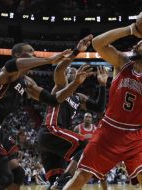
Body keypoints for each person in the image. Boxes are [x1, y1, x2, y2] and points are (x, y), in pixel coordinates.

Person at [0, 42, 91, 190]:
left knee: (17, 173)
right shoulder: (7, 73)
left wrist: (75, 82)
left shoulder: (28, 82)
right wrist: (49, 60)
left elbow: (54, 99)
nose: (34, 54)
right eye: (30, 52)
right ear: (18, 55)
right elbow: (13, 65)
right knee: (3, 177)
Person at [63, 15, 142, 190]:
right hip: (109, 130)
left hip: (136, 134)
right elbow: (98, 43)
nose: (136, 44)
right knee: (81, 175)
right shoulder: (122, 63)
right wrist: (131, 29)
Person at [36, 35, 108, 190]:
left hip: (55, 140)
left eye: (74, 71)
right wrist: (76, 52)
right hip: (51, 130)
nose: (71, 72)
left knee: (56, 182)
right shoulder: (60, 86)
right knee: (86, 146)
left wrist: (102, 86)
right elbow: (59, 68)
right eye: (69, 71)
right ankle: (61, 183)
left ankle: (58, 184)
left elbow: (99, 108)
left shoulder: (78, 97)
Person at [74, 112, 108, 190]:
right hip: (82, 154)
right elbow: (74, 143)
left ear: (92, 119)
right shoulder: (77, 128)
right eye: (86, 117)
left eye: (89, 117)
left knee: (103, 175)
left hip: (93, 154)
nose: (88, 118)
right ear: (83, 118)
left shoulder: (95, 128)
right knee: (77, 176)